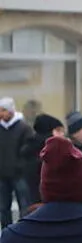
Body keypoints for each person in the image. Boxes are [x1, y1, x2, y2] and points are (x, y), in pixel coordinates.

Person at [0, 97, 33, 226]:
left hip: (19, 174)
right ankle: (6, 231)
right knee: (3, 207)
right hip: (2, 175)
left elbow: (28, 149)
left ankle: (24, 229)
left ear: (11, 111)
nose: (1, 114)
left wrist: (20, 164)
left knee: (24, 205)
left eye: (3, 110)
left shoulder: (24, 128)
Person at [25, 114, 63, 206]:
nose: (62, 134)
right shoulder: (42, 152)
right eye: (58, 131)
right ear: (48, 132)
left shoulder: (31, 148)